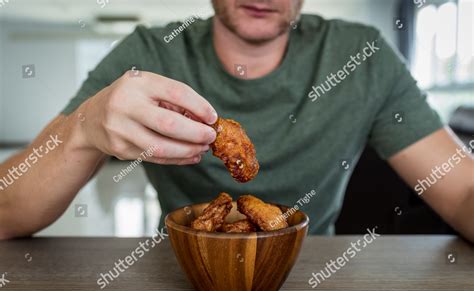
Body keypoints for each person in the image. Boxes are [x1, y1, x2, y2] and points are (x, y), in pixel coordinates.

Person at [0, 0, 472, 241]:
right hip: (181, 278)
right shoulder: (146, 54)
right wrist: (84, 128)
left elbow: (461, 192)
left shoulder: (362, 56)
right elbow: (8, 210)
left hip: (314, 282)